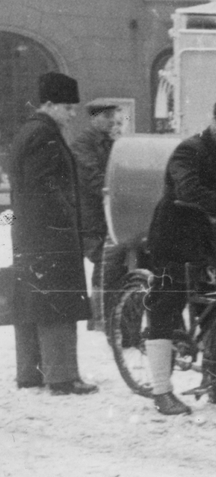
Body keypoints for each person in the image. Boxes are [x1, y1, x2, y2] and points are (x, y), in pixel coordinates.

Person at [143, 96, 216, 415]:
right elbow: (188, 190)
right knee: (165, 309)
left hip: (201, 239)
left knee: (212, 308)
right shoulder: (189, 150)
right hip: (172, 237)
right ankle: (161, 391)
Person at [9, 72, 97, 395]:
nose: (72, 114)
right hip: (51, 235)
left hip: (30, 234)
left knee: (31, 302)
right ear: (49, 104)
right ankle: (62, 378)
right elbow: (45, 184)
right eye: (68, 108)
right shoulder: (44, 135)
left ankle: (30, 373)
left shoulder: (27, 132)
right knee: (58, 303)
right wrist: (68, 214)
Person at [71, 99, 119, 329]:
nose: (113, 121)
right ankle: (98, 317)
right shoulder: (83, 144)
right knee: (102, 261)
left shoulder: (109, 142)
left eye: (113, 116)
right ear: (94, 118)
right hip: (90, 215)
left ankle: (103, 315)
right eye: (107, 116)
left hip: (107, 212)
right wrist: (116, 192)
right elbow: (93, 179)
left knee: (109, 262)